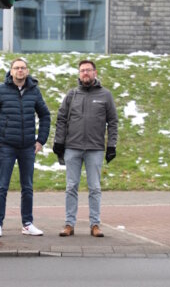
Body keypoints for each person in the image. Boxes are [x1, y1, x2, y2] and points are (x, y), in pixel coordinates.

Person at [52, 59, 118, 238]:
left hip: (95, 149)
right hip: (72, 147)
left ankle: (95, 224)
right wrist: (59, 143)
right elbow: (61, 119)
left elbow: (112, 122)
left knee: (94, 187)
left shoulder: (105, 95)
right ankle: (69, 224)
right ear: (79, 74)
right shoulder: (72, 94)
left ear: (95, 73)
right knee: (71, 186)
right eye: (82, 70)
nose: (85, 73)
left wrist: (111, 145)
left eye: (88, 70)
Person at [0, 57, 51, 237]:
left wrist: (41, 141)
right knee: (2, 186)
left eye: (23, 68)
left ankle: (27, 224)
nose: (20, 71)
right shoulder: (0, 90)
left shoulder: (34, 91)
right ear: (11, 71)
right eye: (16, 68)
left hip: (28, 147)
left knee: (27, 187)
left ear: (27, 71)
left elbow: (45, 115)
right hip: (6, 146)